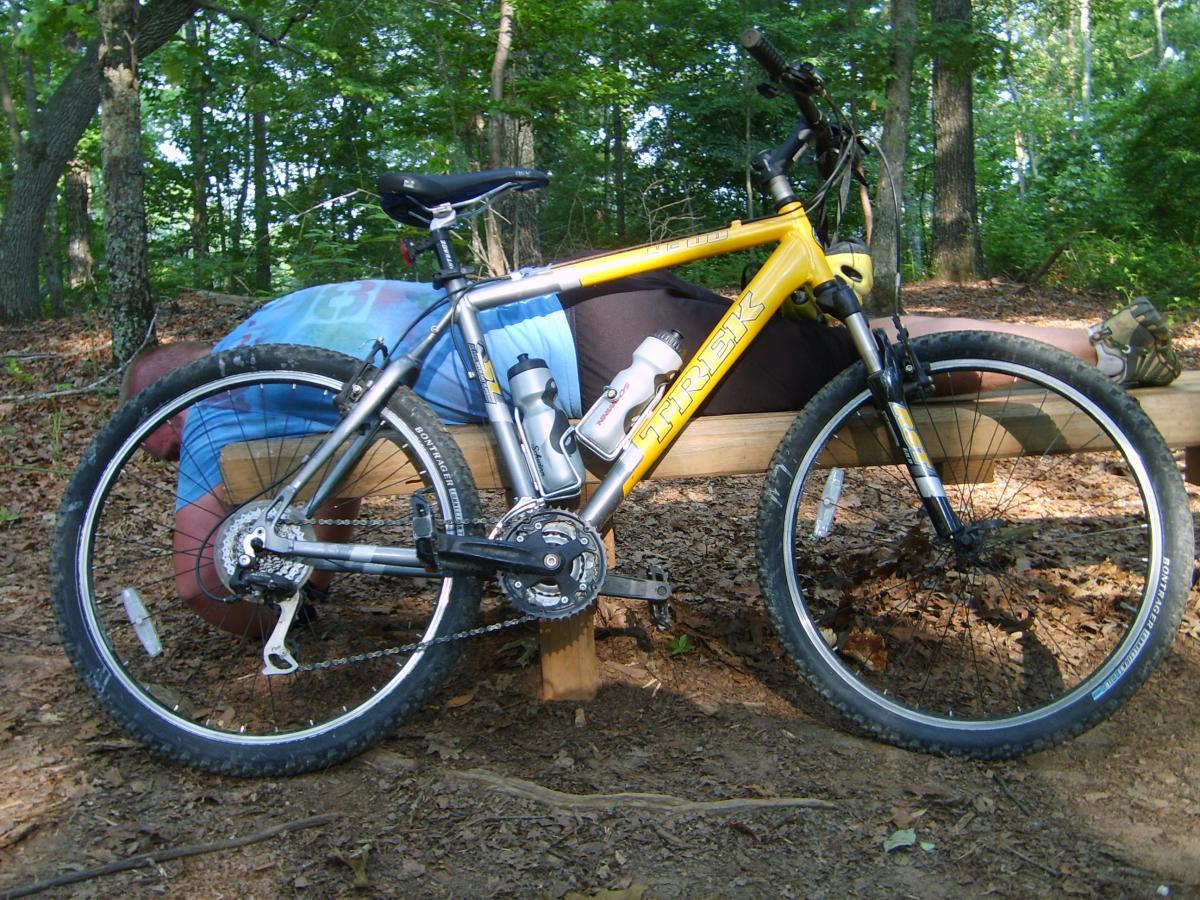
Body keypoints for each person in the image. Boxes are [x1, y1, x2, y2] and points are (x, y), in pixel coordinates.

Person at [121, 267, 1182, 636]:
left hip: (589, 364)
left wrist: (262, 593)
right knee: (845, 345)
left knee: (854, 366)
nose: (158, 443)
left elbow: (203, 582)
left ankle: (1087, 350)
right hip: (586, 309)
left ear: (162, 400)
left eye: (146, 427)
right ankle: (1085, 343)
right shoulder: (284, 314)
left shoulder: (210, 414)